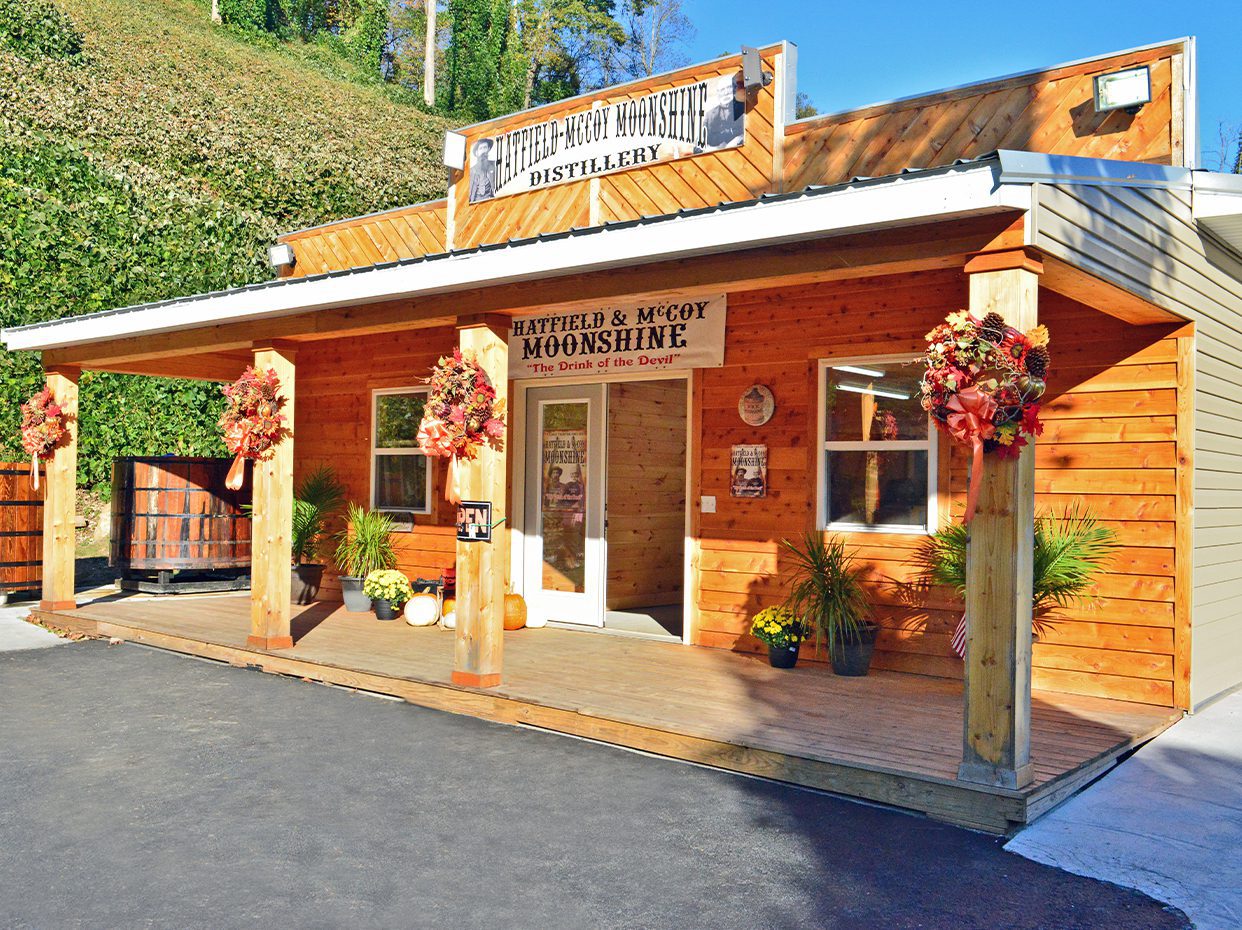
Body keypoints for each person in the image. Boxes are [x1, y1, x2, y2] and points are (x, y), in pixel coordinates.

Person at [703, 72, 746, 150]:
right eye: (722, 90)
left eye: (728, 87)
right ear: (718, 93)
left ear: (735, 88)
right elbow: (701, 139)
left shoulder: (744, 108)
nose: (726, 93)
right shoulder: (709, 115)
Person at [469, 137, 497, 203]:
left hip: (491, 201)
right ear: (477, 153)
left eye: (485, 147)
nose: (483, 150)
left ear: (488, 149)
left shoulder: (495, 165)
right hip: (476, 203)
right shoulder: (472, 171)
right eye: (480, 148)